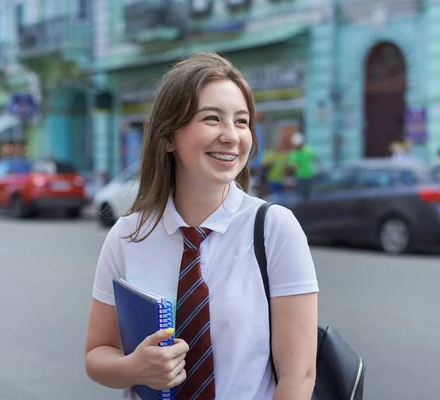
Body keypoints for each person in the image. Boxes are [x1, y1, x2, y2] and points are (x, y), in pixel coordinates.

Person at [85, 52, 318, 400]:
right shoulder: (128, 235)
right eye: (212, 118)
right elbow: (97, 353)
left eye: (241, 121)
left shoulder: (274, 229)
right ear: (167, 138)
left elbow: (298, 377)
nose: (231, 136)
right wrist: (136, 368)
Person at [287, 132, 321, 199]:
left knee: (310, 196)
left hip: (309, 176)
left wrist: (319, 169)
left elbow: (316, 159)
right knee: (301, 197)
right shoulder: (293, 153)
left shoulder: (308, 150)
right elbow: (291, 166)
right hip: (300, 177)